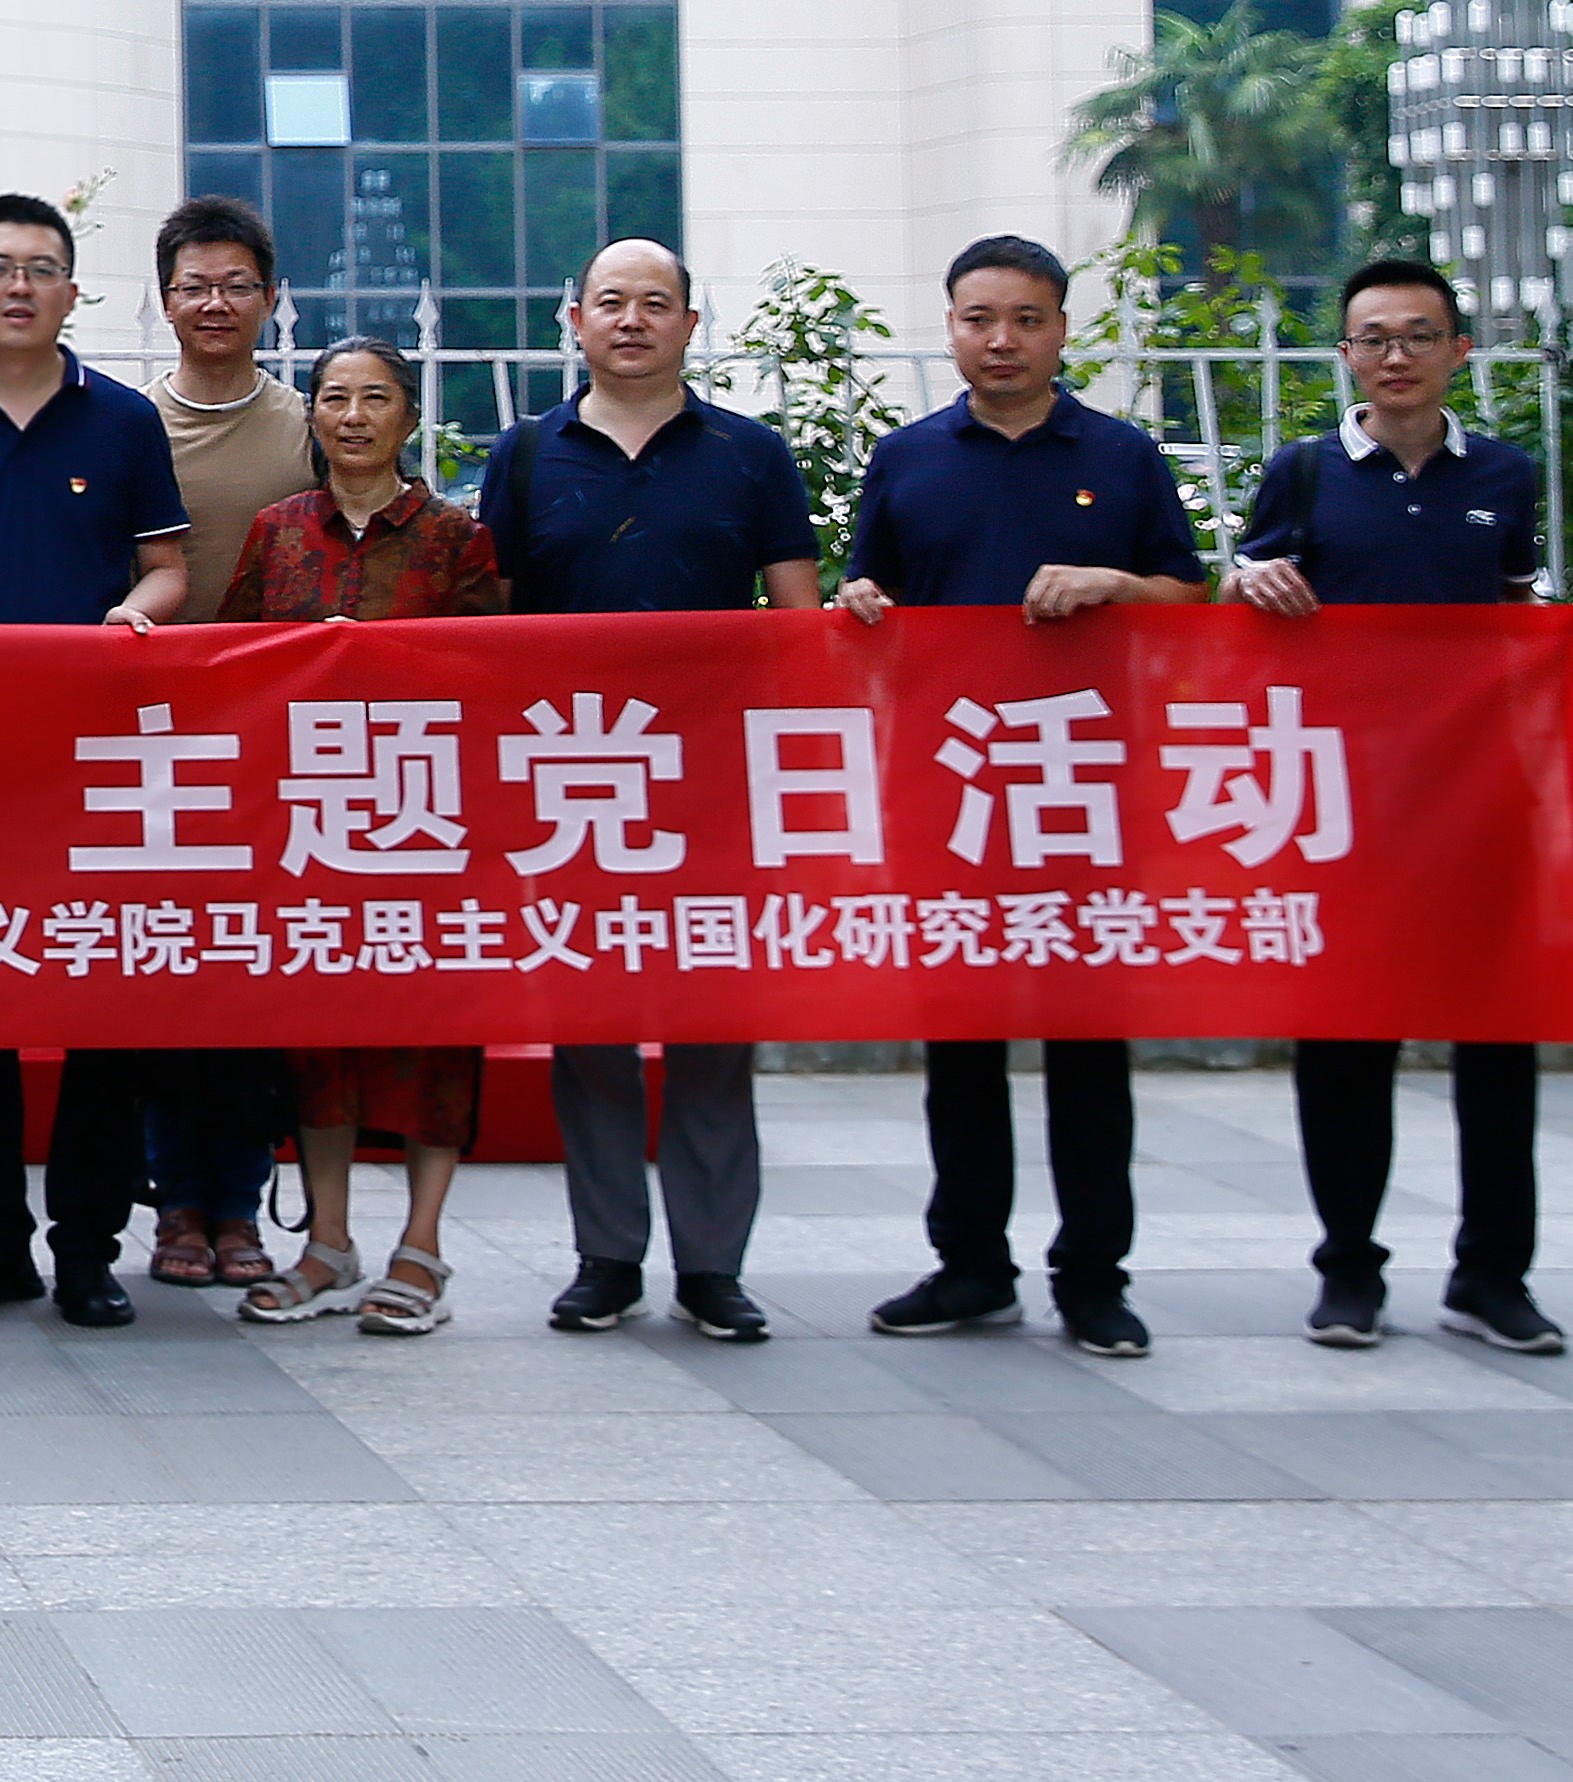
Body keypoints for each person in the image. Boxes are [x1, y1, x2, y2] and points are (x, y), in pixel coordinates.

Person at [1232, 255, 1573, 1356]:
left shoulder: (1502, 472)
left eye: (1417, 336)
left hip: (1475, 801)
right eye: (1374, 338)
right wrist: (1246, 582)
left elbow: (1515, 609)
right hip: (1343, 807)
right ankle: (1347, 1270)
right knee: (1344, 1043)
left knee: (1497, 1042)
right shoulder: (1304, 474)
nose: (1395, 356)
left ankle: (1493, 1275)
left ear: (1459, 351)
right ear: (1345, 355)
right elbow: (1238, 613)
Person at [836, 233, 1212, 1361]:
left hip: (1086, 790)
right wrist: (861, 604)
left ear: (1060, 330)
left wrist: (1115, 584)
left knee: (1088, 1045)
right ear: (951, 326)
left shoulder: (1121, 455)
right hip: (951, 790)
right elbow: (868, 599)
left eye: (1026, 319)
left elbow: (1190, 600)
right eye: (979, 318)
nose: (1002, 340)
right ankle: (971, 1263)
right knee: (961, 1042)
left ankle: (1094, 1276)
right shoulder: (908, 459)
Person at [477, 237, 823, 1346]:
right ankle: (608, 1256)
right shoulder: (528, 455)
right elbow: (492, 627)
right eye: (612, 302)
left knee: (714, 1028)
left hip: (714, 782)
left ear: (689, 325)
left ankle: (714, 1266)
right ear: (574, 319)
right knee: (592, 1029)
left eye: (656, 303)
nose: (633, 320)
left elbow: (800, 624)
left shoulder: (749, 454)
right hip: (576, 784)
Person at [0, 194, 197, 1326]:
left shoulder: (121, 420)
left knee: (101, 1007)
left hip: (97, 758)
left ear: (71, 292)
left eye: (41, 269)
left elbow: (168, 565)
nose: (19, 286)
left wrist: (134, 612)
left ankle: (86, 1249)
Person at [216, 338, 503, 1339]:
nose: (353, 416)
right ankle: (328, 1244)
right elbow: (232, 662)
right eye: (334, 397)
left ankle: (421, 1248)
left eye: (375, 398)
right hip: (311, 828)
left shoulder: (456, 538)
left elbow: (494, 679)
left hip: (427, 830)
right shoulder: (277, 532)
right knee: (318, 1034)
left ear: (408, 417)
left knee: (435, 1037)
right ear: (313, 416)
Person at [137, 194, 316, 1286]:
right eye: (195, 285)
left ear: (270, 297)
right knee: (163, 980)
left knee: (254, 983)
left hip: (275, 747)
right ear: (164, 301)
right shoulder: (127, 424)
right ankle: (174, 1208)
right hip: (152, 746)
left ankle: (240, 1207)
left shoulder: (308, 424)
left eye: (236, 285)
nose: (215, 303)